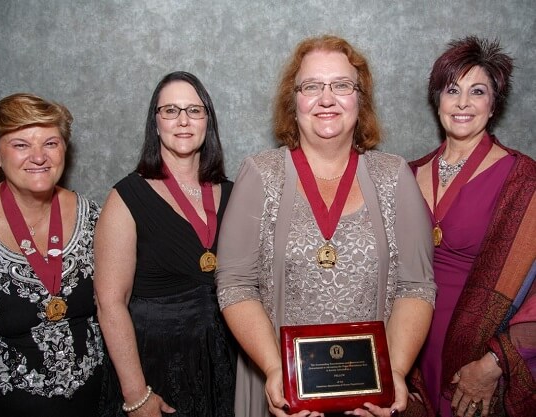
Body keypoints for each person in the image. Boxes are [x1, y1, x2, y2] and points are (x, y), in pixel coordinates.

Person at [215, 35, 436, 417]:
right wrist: (272, 368)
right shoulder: (260, 174)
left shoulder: (394, 175)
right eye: (312, 86)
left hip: (370, 400)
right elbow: (236, 285)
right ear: (294, 100)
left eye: (341, 85)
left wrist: (394, 371)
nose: (327, 98)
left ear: (360, 99)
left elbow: (416, 285)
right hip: (284, 392)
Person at [94, 71, 236, 417]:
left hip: (226, 368)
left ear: (208, 121)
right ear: (154, 123)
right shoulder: (126, 197)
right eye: (170, 110)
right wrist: (136, 395)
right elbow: (110, 304)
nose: (183, 120)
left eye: (194, 110)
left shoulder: (235, 193)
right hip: (154, 372)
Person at [409, 36, 536, 417]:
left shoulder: (524, 181)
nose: (463, 102)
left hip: (479, 356)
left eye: (477, 91)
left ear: (493, 103)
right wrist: (392, 366)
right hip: (409, 353)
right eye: (452, 90)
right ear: (438, 100)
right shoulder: (405, 174)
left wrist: (494, 363)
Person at [0, 93, 105, 416]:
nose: (38, 157)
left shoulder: (94, 216)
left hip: (89, 405)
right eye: (21, 145)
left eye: (50, 143)